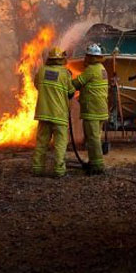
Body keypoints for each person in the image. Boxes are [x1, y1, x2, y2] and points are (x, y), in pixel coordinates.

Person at [32, 47, 75, 178]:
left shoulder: (41, 71)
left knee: (41, 143)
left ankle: (37, 169)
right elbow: (71, 92)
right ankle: (59, 171)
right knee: (60, 144)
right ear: (61, 60)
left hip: (44, 114)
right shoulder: (65, 73)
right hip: (59, 116)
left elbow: (37, 85)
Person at [73, 43, 109, 175]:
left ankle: (97, 166)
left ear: (90, 57)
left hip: (92, 110)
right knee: (96, 137)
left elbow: (77, 83)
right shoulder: (102, 68)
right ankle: (94, 162)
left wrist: (68, 83)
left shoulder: (91, 70)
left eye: (87, 56)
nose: (85, 59)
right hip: (101, 109)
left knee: (92, 138)